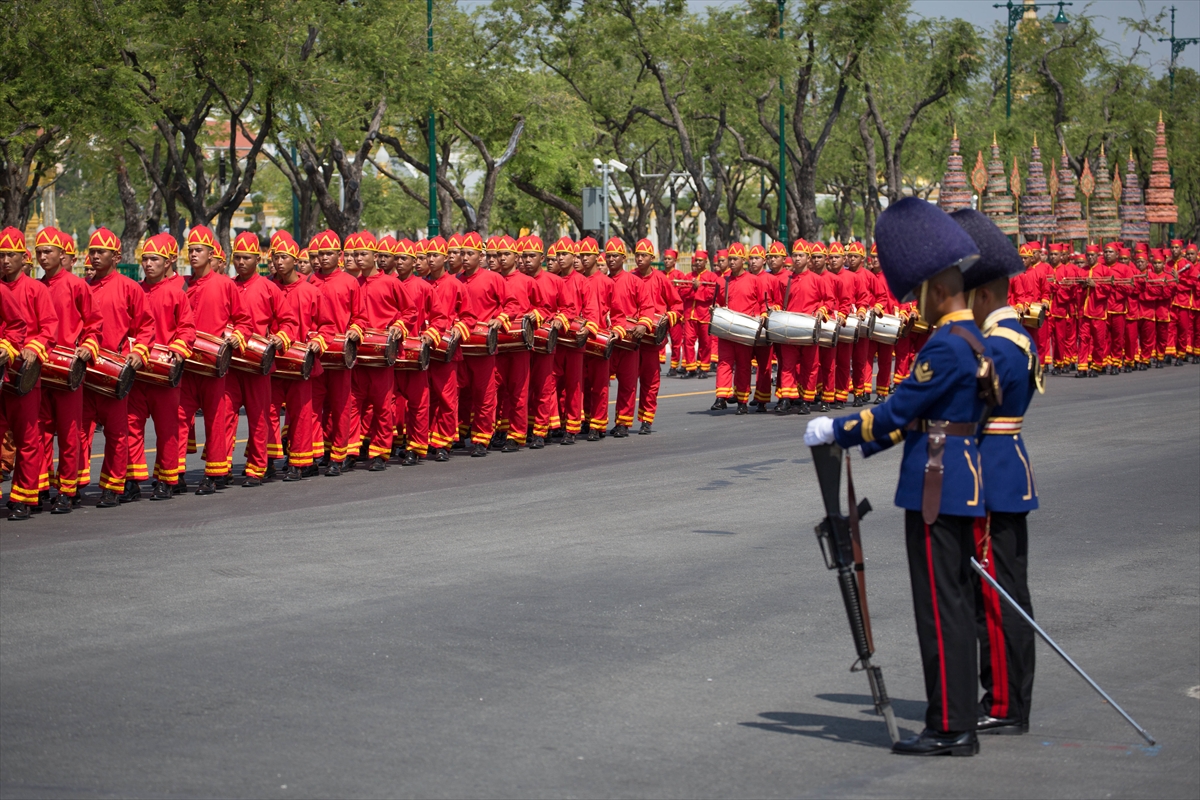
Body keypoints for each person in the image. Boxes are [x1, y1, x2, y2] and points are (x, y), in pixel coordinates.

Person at [805, 197, 988, 757]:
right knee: (952, 608)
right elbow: (912, 421)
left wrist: (837, 430)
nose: (917, 306)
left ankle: (949, 727)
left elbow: (895, 410)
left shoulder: (946, 347)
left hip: (938, 485)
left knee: (939, 611)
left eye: (920, 294)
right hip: (958, 478)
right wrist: (869, 441)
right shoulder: (970, 339)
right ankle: (955, 720)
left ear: (937, 289)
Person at [949, 208, 1041, 737]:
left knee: (996, 596)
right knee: (1004, 589)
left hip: (990, 471)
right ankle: (1006, 698)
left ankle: (1005, 703)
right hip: (1007, 467)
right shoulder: (1017, 337)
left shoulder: (998, 346)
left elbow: (970, 412)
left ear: (984, 295)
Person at [178, 225, 252, 494]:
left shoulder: (225, 285)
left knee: (216, 420)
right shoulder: (182, 284)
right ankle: (174, 474)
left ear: (211, 254)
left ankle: (216, 473)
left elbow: (244, 322)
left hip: (214, 366)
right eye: (190, 250)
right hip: (186, 366)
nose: (193, 255)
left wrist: (235, 336)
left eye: (198, 250)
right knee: (178, 419)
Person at [83, 227, 155, 507]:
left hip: (115, 371)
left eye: (101, 252)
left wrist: (139, 351)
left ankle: (113, 486)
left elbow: (146, 326)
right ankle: (72, 487)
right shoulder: (83, 286)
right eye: (92, 252)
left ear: (117, 256)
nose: (95, 257)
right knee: (79, 433)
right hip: (86, 370)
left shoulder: (129, 287)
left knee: (116, 432)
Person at [126, 233, 195, 501]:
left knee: (167, 429)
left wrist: (177, 350)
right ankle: (132, 480)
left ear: (168, 262)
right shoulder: (135, 291)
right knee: (131, 427)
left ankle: (167, 479)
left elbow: (187, 329)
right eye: (145, 259)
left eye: (154, 259)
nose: (148, 264)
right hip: (138, 373)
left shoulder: (176, 294)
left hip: (165, 373)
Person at [37, 227, 101, 513]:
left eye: (48, 251)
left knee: (70, 431)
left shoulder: (77, 285)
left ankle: (67, 489)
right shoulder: (35, 287)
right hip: (39, 369)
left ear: (62, 255)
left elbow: (93, 325)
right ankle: (37, 488)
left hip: (67, 370)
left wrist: (88, 346)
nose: (42, 257)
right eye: (39, 252)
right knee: (38, 432)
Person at [226, 232, 298, 485]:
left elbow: (289, 321)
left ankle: (257, 468)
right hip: (231, 364)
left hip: (258, 363)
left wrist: (281, 338)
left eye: (246, 258)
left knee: (259, 417)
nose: (241, 263)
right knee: (225, 416)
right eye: (237, 258)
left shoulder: (269, 288)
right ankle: (219, 469)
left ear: (258, 258)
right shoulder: (228, 286)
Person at [0, 227, 55, 520]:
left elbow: (48, 328)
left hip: (25, 373)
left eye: (11, 255)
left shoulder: (36, 289)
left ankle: (23, 496)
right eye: (1, 256)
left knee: (27, 437)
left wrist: (33, 347)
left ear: (24, 258)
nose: (5, 261)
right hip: (1, 372)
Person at [630, 239, 681, 434]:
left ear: (652, 258)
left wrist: (667, 319)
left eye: (644, 255)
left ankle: (646, 419)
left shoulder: (661, 279)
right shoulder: (629, 278)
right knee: (628, 381)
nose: (640, 259)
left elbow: (677, 306)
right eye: (637, 255)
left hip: (652, 339)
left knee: (650, 381)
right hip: (631, 338)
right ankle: (622, 421)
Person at [710, 242, 764, 415]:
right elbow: (718, 302)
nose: (731, 263)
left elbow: (764, 303)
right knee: (724, 363)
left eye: (735, 259)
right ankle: (721, 397)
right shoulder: (722, 281)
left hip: (745, 330)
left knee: (743, 366)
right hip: (726, 329)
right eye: (730, 259)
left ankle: (742, 400)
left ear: (743, 260)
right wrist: (715, 309)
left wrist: (762, 316)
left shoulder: (754, 280)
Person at [677, 250, 716, 379]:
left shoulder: (711, 277)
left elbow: (711, 295)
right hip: (690, 314)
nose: (698, 263)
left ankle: (704, 367)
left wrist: (699, 288)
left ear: (705, 262)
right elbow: (682, 292)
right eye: (696, 260)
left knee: (705, 342)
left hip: (704, 314)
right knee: (688, 341)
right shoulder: (688, 276)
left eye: (700, 261)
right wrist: (693, 288)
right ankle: (690, 367)